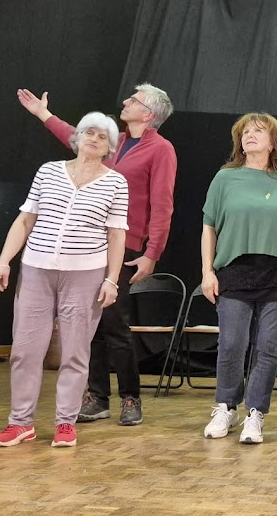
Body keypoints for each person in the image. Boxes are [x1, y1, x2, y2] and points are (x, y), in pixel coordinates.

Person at [17, 84, 176, 426]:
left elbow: (163, 203)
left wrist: (152, 253)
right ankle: (98, 396)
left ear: (148, 114)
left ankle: (130, 396)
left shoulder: (161, 149)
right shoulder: (112, 141)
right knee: (89, 325)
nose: (125, 102)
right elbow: (76, 137)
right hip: (87, 243)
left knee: (114, 322)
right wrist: (44, 114)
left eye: (134, 100)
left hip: (124, 243)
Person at [0, 112, 128, 447]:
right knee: (25, 350)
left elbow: (117, 235)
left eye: (102, 136)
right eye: (89, 132)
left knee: (75, 351)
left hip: (85, 274)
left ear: (109, 147)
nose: (94, 138)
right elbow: (25, 220)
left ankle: (65, 423)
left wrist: (112, 280)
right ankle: (20, 422)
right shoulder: (49, 171)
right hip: (37, 268)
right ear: (77, 137)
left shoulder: (116, 182)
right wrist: (4, 259)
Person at [201, 113, 277, 444]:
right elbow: (209, 226)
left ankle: (256, 413)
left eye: (258, 131)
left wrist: (270, 239)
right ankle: (226, 406)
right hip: (235, 269)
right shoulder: (225, 178)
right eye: (245, 131)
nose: (250, 135)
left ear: (273, 142)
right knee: (232, 343)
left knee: (267, 346)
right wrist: (207, 271)